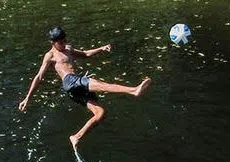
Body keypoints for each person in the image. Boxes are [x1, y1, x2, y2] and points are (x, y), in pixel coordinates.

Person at [18, 27, 152, 150]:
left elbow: (85, 54)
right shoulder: (50, 55)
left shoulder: (69, 49)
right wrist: (27, 98)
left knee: (100, 113)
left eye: (65, 41)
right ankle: (134, 90)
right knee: (101, 84)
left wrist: (101, 48)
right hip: (70, 81)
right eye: (60, 42)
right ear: (52, 42)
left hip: (74, 88)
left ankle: (76, 137)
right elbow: (39, 77)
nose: (64, 44)